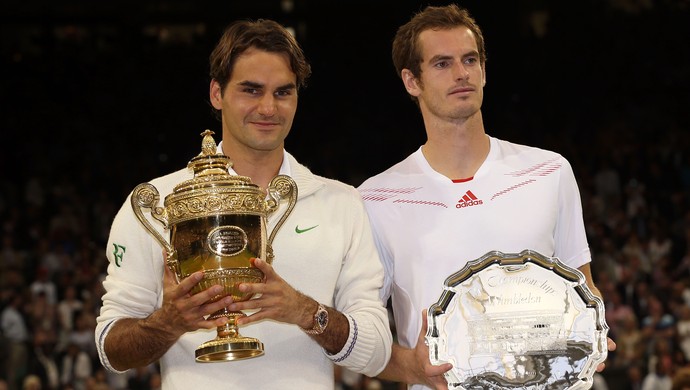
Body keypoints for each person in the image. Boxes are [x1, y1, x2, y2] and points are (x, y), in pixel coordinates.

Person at [95, 19, 392, 389]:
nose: (269, 108)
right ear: (217, 93)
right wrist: (168, 322)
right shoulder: (162, 203)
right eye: (251, 90)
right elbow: (111, 349)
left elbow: (377, 351)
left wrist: (304, 311)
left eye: (283, 92)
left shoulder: (341, 203)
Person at [357, 4, 615, 389]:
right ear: (412, 81)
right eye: (442, 64)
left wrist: (592, 333)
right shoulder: (376, 198)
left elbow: (582, 286)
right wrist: (409, 367)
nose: (462, 74)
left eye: (470, 60)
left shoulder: (549, 171)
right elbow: (363, 336)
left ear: (484, 70)